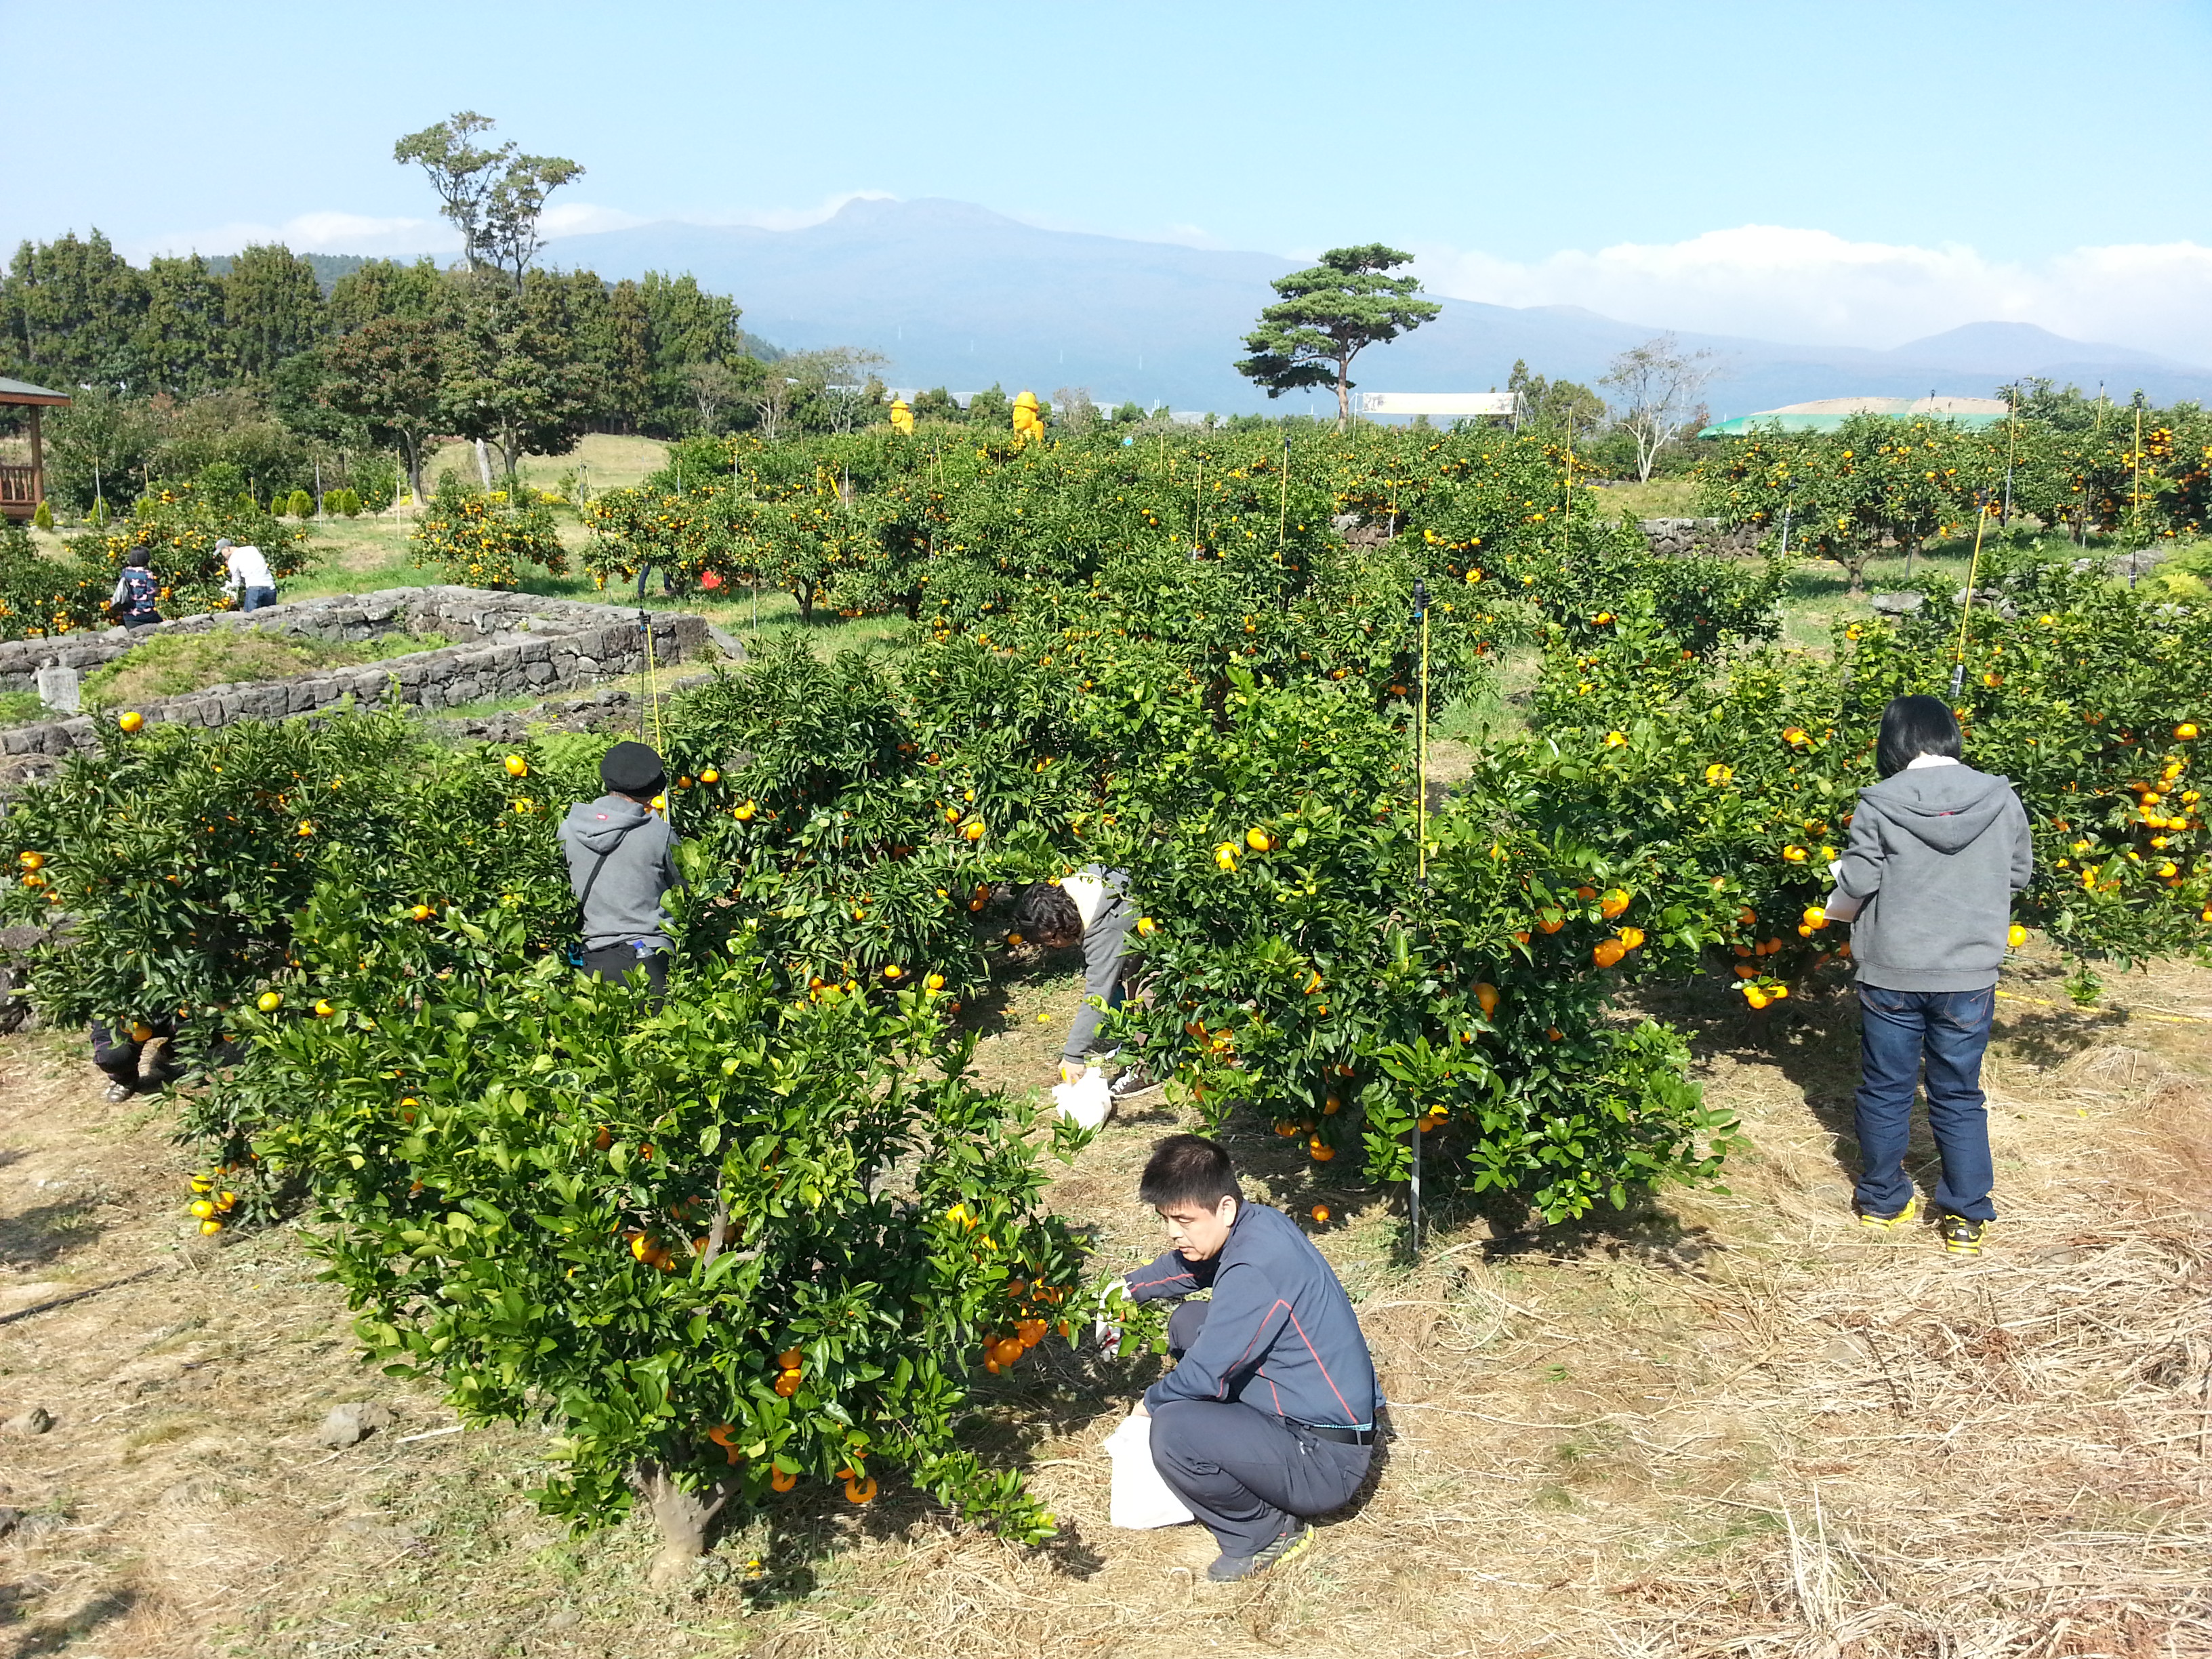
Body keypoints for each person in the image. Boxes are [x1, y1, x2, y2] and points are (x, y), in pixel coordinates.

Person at [1824, 694, 2032, 1257]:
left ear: (1893, 740)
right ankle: (1966, 1217)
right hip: (1967, 973)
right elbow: (2017, 875)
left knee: (1887, 1088)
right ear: (1949, 735)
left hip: (1892, 970)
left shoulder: (1880, 802)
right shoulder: (2000, 798)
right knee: (1958, 1092)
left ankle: (1882, 1202)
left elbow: (1858, 882)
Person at [1119, 1134, 1377, 1582]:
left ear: (1225, 1208)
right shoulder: (1258, 1223)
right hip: (1308, 1409)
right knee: (1190, 1323)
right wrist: (1126, 1291)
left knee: (1174, 1429)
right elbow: (1192, 1266)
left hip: (1326, 1459)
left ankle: (1264, 1532)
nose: (1174, 1232)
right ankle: (1235, 1444)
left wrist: (1147, 1406)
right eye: (1167, 1219)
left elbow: (1202, 1375)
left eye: (1184, 1219)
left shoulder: (1257, 1266)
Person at [557, 741, 684, 998]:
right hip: (651, 957)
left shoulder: (567, 829)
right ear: (652, 789)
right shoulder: (659, 833)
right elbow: (684, 892)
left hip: (593, 961)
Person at [1014, 867, 1149, 1097]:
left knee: (1145, 988)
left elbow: (1097, 993)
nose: (1054, 947)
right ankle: (1137, 1042)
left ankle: (1149, 1068)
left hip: (1177, 930)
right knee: (1131, 975)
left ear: (1060, 926)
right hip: (1150, 920)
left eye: (1051, 940)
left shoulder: (1105, 929)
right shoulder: (1083, 879)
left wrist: (1073, 1055)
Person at [107, 550, 163, 630]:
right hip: (146, 614)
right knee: (163, 628)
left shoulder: (125, 572)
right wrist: (157, 590)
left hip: (128, 616)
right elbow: (151, 594)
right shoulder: (147, 574)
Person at [218, 538, 277, 612]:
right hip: (270, 586)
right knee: (271, 615)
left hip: (254, 589)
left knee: (250, 616)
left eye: (221, 551)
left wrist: (229, 588)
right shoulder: (252, 549)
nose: (222, 555)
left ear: (227, 548)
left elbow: (236, 583)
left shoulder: (232, 560)